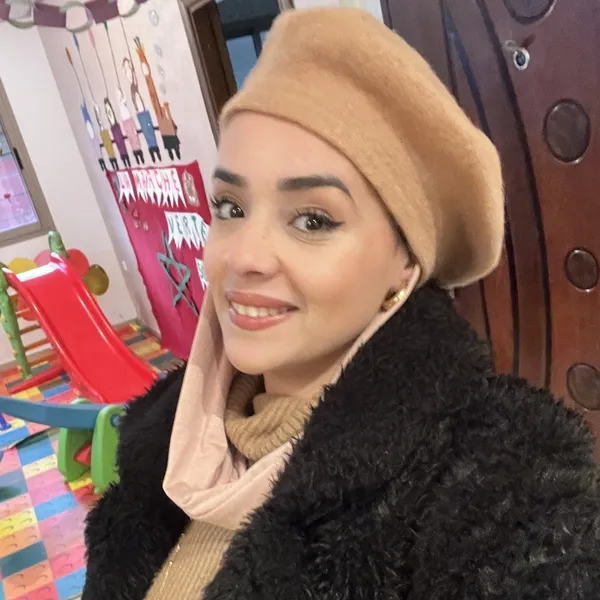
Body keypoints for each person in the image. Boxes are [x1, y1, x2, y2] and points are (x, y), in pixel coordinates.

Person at [82, 7, 600, 600]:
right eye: (230, 207)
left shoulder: (495, 472)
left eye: (312, 219)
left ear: (404, 266)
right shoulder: (169, 434)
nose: (244, 255)